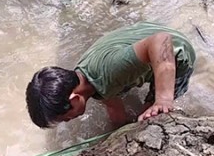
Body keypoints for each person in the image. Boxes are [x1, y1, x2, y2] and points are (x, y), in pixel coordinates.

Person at [25, 21, 196, 128]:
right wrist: (116, 132)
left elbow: (162, 40)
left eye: (65, 119)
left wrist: (163, 99)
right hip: (144, 33)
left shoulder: (110, 71)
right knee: (140, 119)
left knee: (151, 119)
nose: (69, 120)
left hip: (175, 53)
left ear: (74, 99)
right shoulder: (86, 80)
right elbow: (113, 106)